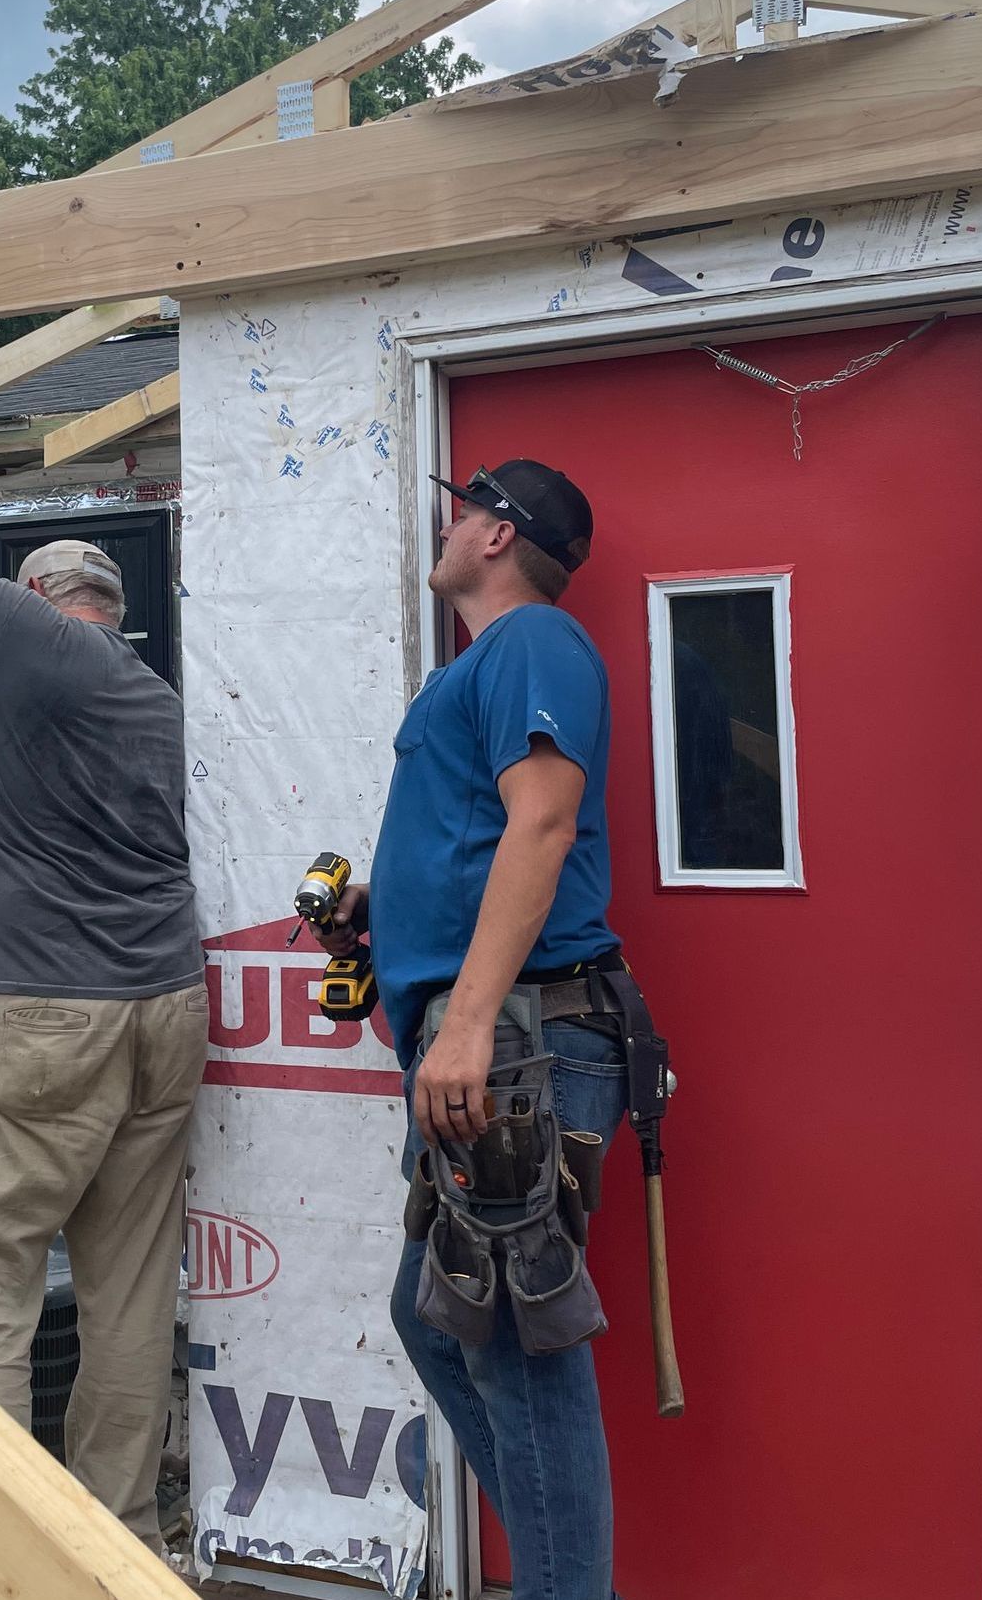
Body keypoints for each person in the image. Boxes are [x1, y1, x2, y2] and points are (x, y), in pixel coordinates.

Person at [309, 459, 627, 1600]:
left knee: (512, 1341)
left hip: (522, 1036)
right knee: (441, 1319)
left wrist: (472, 1023)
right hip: (498, 1029)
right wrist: (381, 912)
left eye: (462, 510)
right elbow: (490, 836)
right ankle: (560, 1575)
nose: (443, 526)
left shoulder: (531, 643)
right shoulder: (493, 663)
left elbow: (541, 827)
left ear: (499, 535)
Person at [0, 528, 206, 1552]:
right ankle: (119, 1541)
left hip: (38, 1015)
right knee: (130, 1291)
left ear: (37, 596)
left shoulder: (31, 643)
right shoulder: (156, 698)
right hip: (165, 1006)